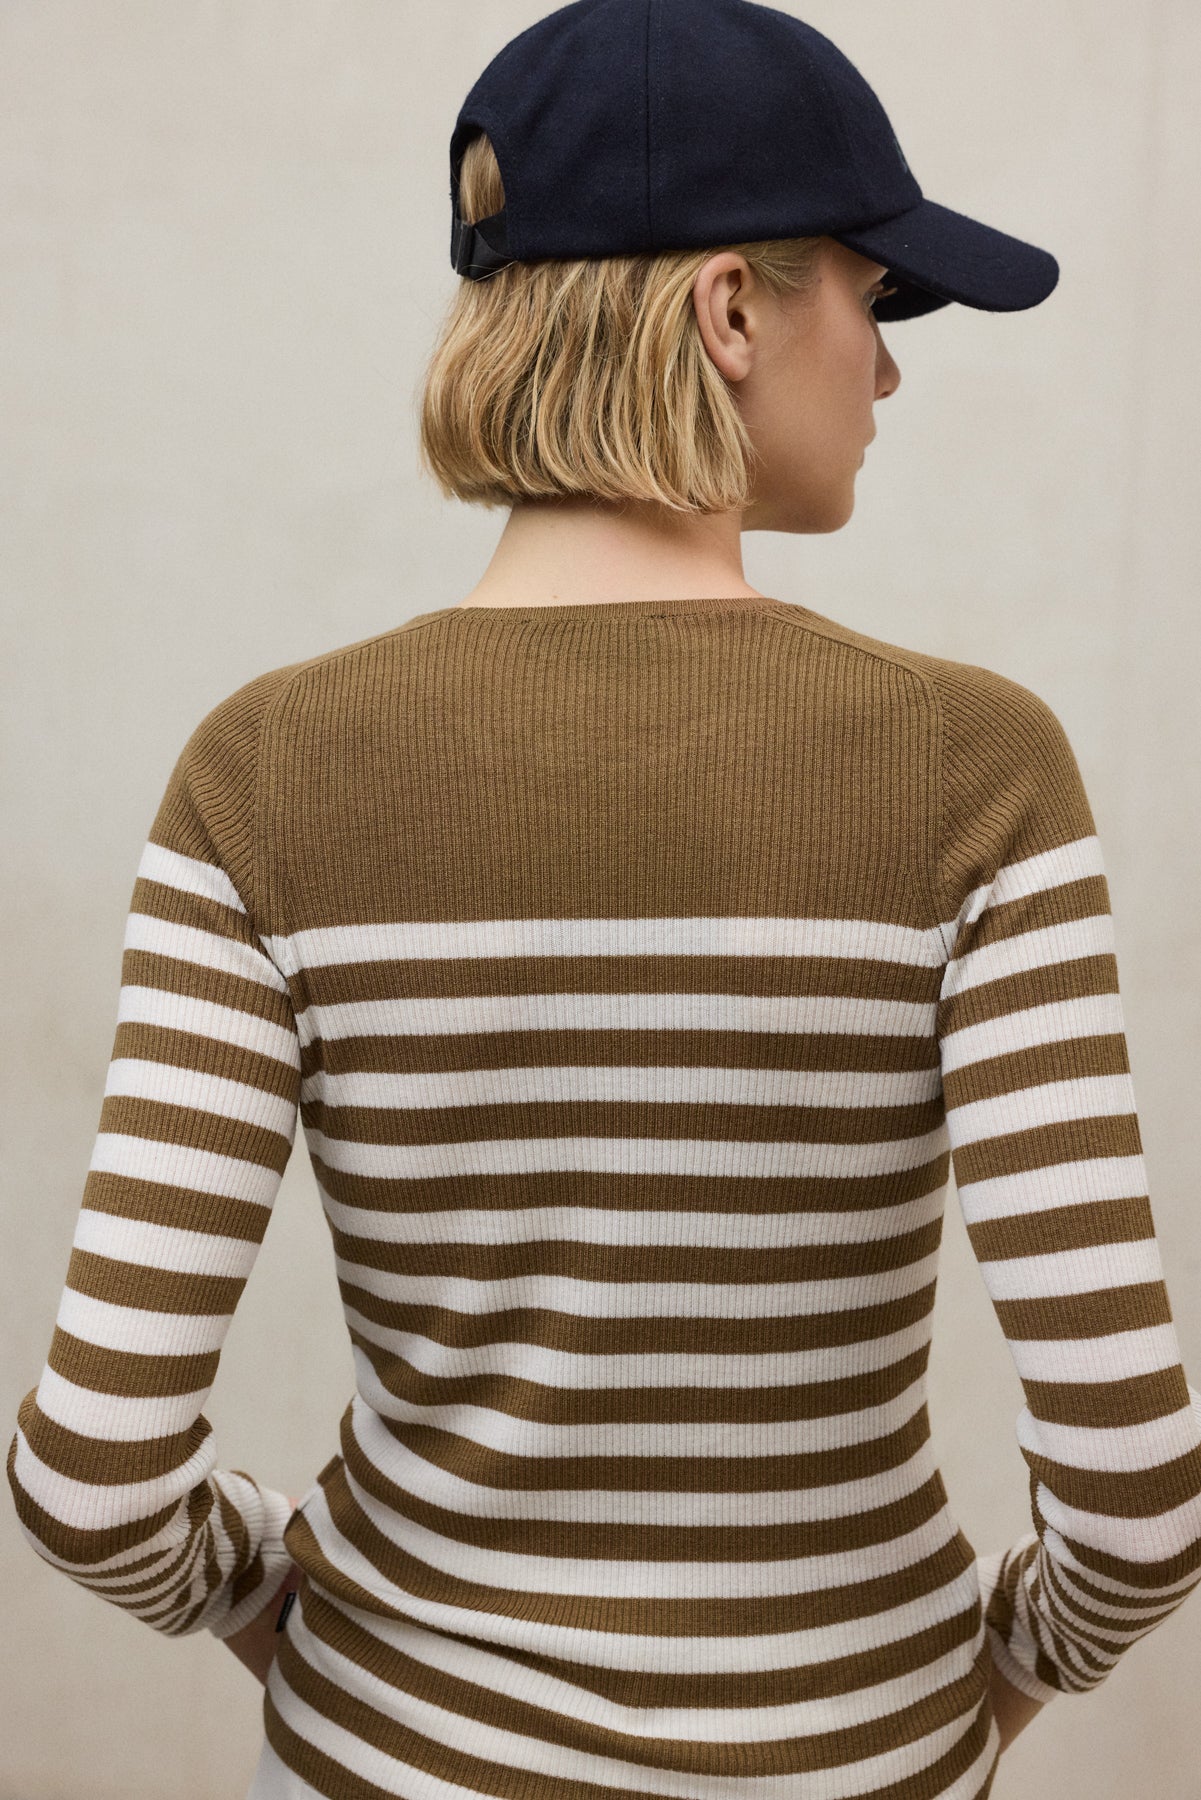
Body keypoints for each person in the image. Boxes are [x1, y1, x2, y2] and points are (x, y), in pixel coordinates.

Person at [10, 5, 1201, 1798]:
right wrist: (990, 1689)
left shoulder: (263, 771)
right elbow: (1135, 1496)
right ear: (731, 311)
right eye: (873, 295)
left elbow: (93, 1476)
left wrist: (292, 1621)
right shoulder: (973, 769)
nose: (887, 371)